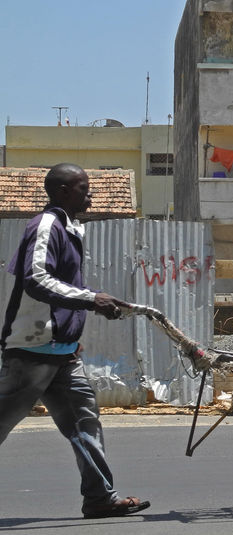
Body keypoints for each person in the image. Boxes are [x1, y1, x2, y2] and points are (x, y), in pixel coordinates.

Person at [0, 163, 150, 519]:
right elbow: (36, 279)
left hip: (61, 352)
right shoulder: (46, 225)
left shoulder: (70, 229)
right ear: (64, 190)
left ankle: (99, 498)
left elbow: (65, 289)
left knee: (85, 424)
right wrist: (91, 300)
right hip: (32, 351)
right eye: (84, 188)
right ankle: (100, 496)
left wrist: (82, 317)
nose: (91, 195)